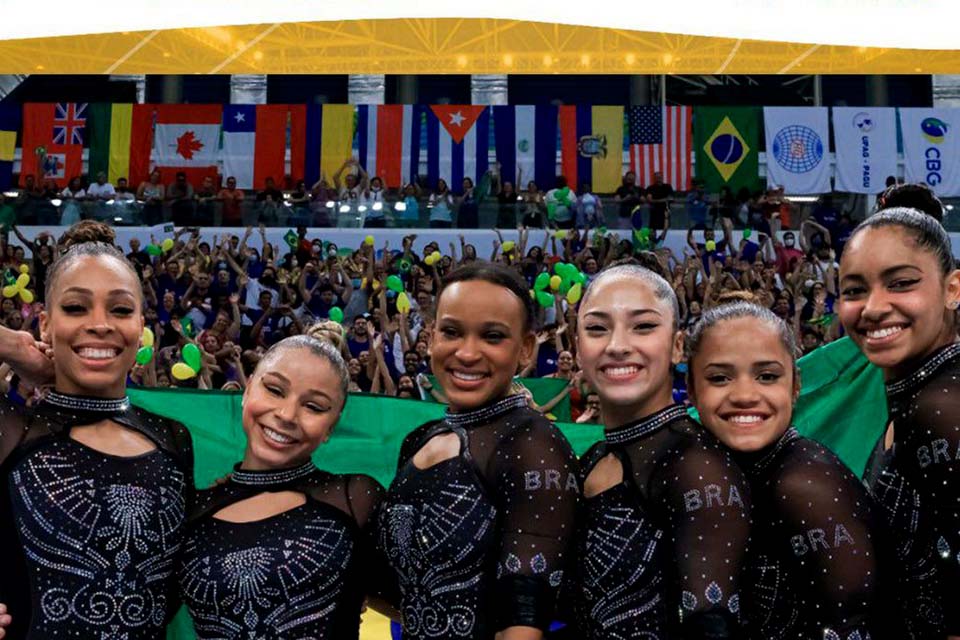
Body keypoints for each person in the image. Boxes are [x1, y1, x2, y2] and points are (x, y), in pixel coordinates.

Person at [0, 220, 194, 639]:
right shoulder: (12, 430)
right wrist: (13, 346)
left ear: (141, 326)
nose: (100, 324)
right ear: (45, 324)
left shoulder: (173, 438)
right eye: (76, 308)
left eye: (120, 309)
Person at [376, 261, 579, 640]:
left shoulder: (533, 444)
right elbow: (413, 594)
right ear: (432, 336)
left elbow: (524, 619)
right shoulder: (420, 439)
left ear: (526, 349)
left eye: (492, 336)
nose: (467, 353)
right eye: (452, 332)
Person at [686, 301, 891, 639]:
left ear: (795, 386)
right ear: (692, 390)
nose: (745, 395)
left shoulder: (807, 486)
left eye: (767, 376)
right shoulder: (704, 467)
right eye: (719, 378)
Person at [567, 264, 750, 638]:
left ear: (678, 345)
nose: (618, 346)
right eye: (598, 328)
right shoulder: (596, 458)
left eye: (644, 326)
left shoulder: (698, 468)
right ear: (578, 348)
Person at [178, 330, 384, 639]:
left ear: (331, 426)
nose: (287, 415)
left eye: (314, 407)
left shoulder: (355, 499)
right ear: (248, 390)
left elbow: (428, 601)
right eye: (274, 390)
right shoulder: (192, 509)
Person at [838, 206, 959, 637]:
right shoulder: (919, 398)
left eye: (901, 283)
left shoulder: (942, 409)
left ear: (952, 289)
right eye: (854, 290)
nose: (873, 307)